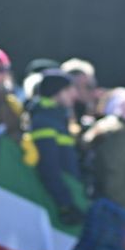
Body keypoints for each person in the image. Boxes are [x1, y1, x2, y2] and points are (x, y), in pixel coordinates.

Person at [27, 67, 87, 225]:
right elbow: (48, 167)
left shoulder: (57, 118)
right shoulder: (45, 120)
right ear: (56, 92)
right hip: (57, 204)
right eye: (69, 89)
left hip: (70, 193)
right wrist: (66, 204)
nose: (74, 94)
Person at [83, 84, 125, 215]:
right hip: (114, 216)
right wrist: (122, 215)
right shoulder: (120, 135)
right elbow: (113, 177)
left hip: (117, 213)